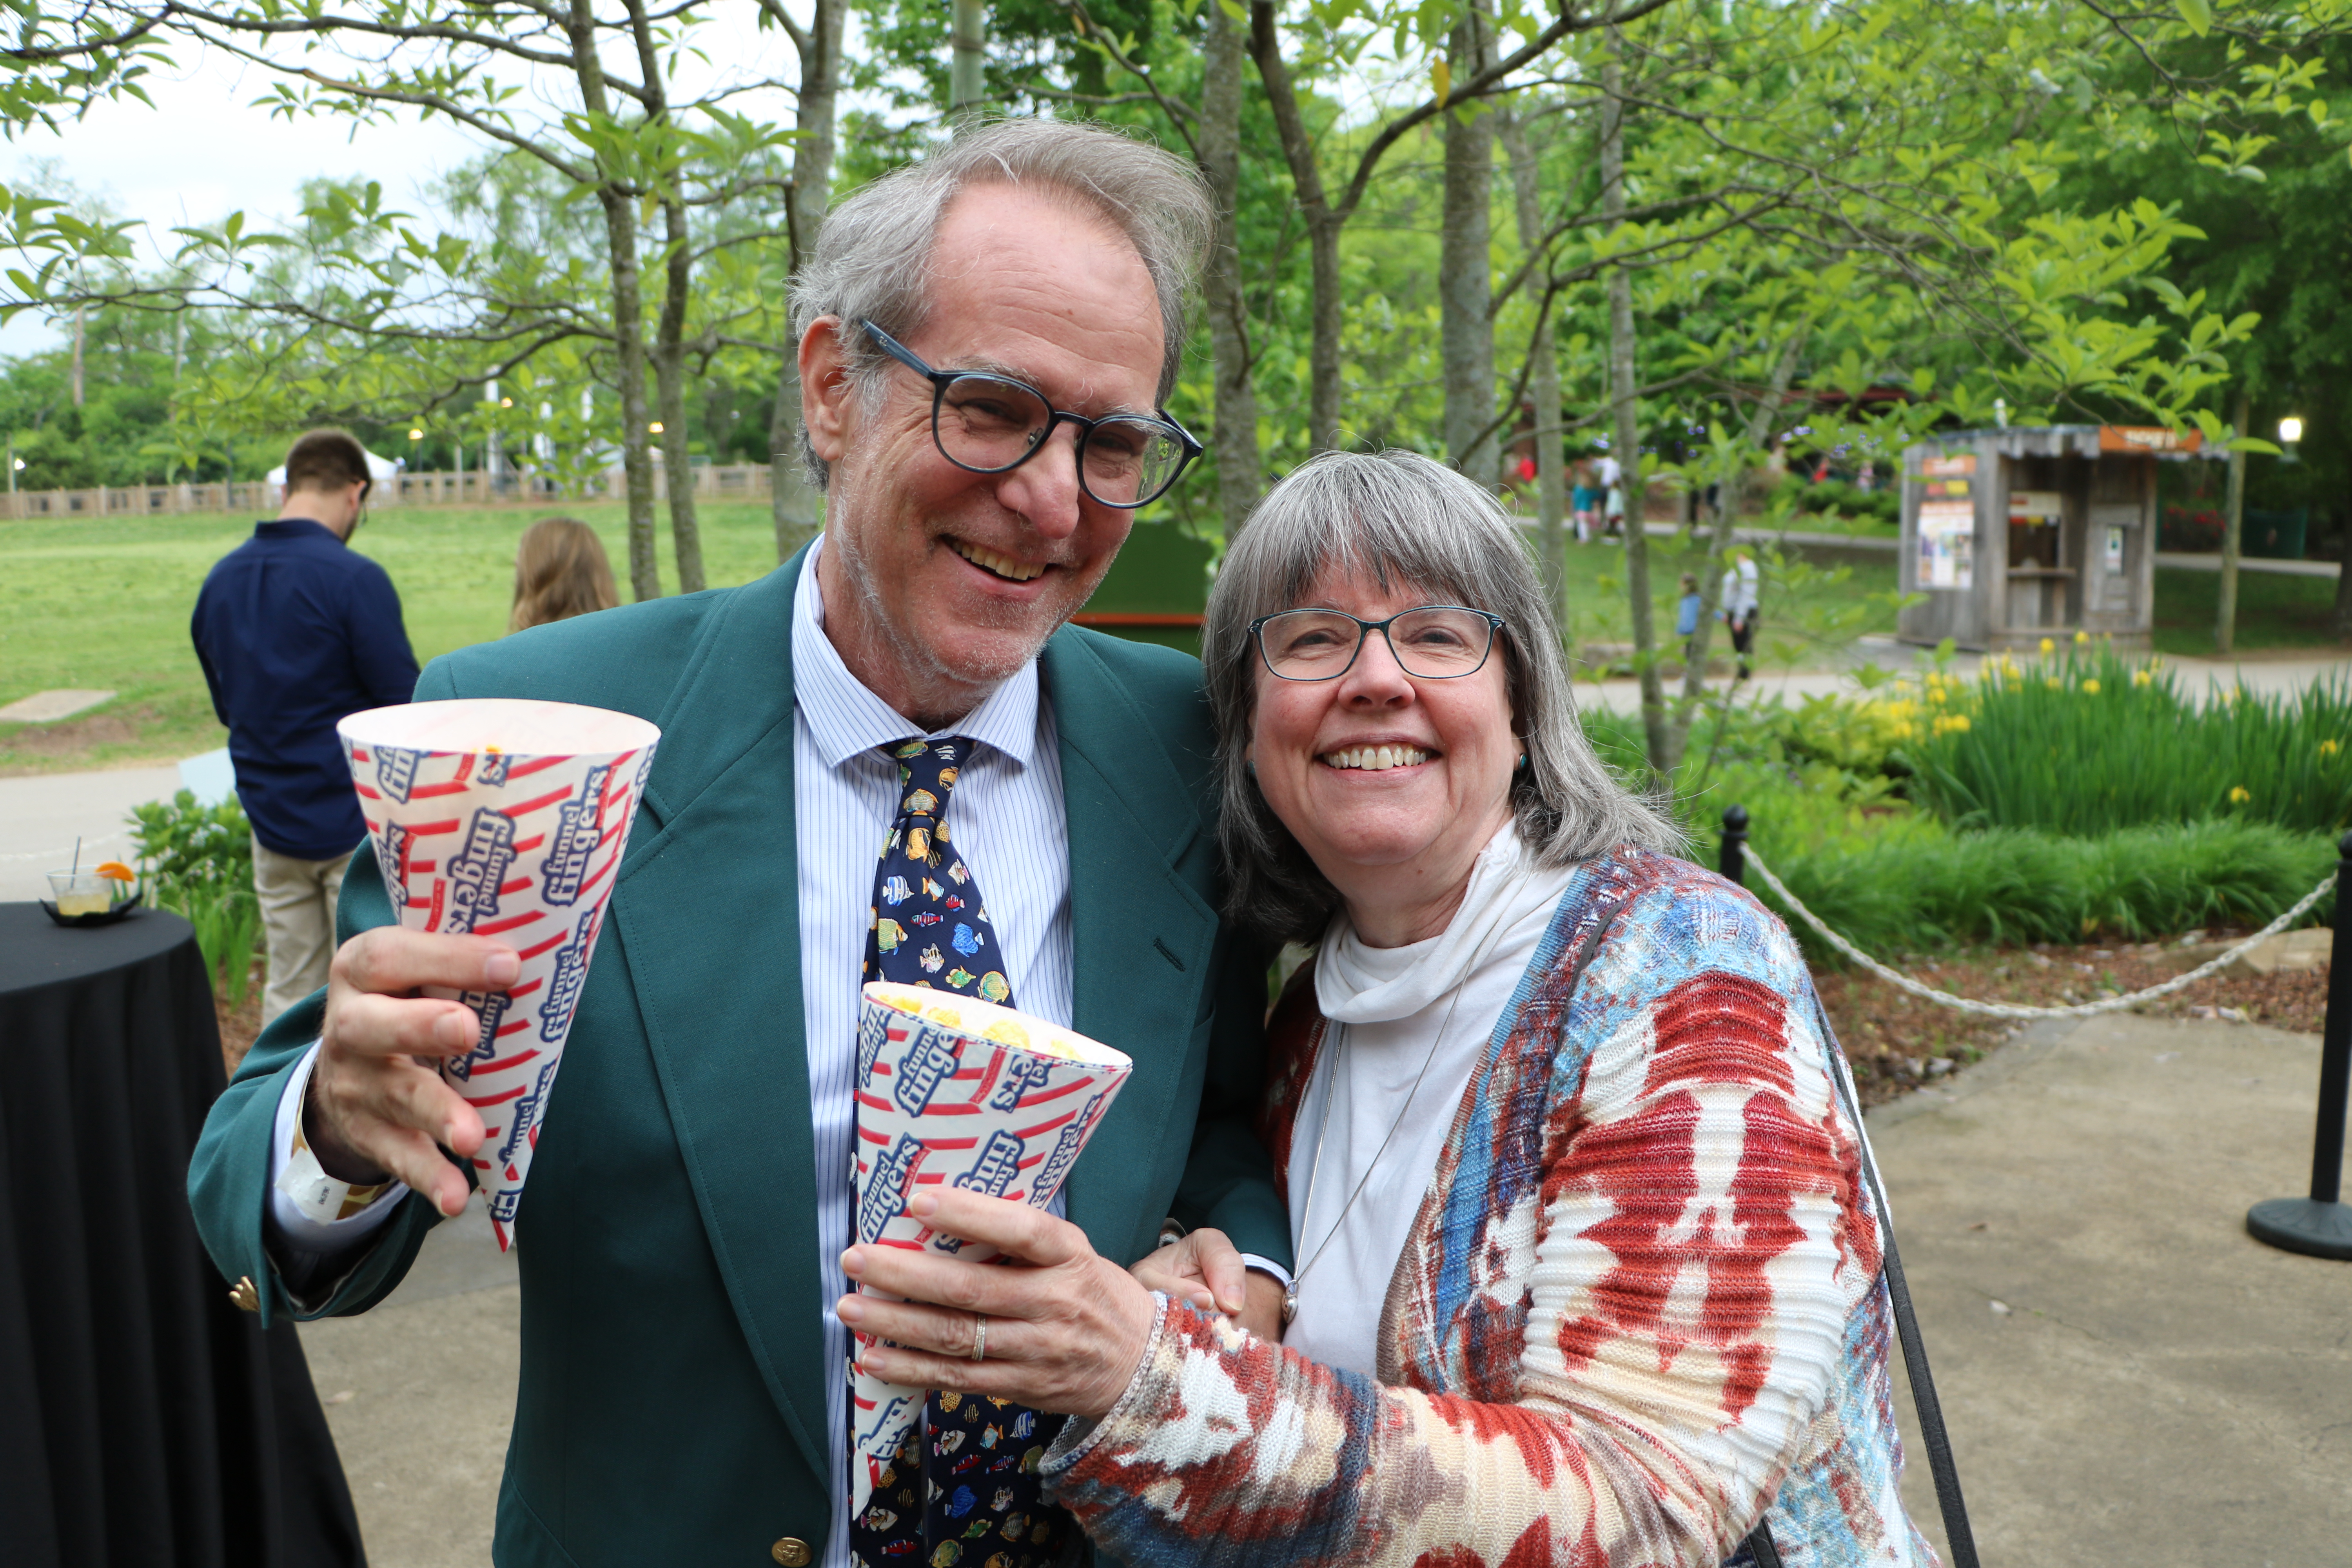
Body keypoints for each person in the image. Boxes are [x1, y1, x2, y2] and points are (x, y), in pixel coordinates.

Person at [187, 119, 1291, 1568]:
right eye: (994, 407)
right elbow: (260, 1186)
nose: (1050, 496)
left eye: (1112, 441)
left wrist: (1243, 1255)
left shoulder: (1190, 743)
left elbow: (1223, 1110)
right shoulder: (536, 733)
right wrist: (338, 1123)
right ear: (834, 386)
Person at [838, 451, 1935, 1567]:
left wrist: (1149, 1373)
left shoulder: (1688, 979)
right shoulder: (1313, 1015)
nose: (1375, 679)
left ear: (1522, 707)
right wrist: (1200, 1277)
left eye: (1439, 635)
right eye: (1311, 639)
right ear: (1251, 732)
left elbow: (1647, 1509)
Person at [191, 428, 419, 1025]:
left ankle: (278, 1114)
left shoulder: (220, 583)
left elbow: (226, 706)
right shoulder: (353, 579)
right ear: (355, 493)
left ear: (288, 488)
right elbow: (405, 710)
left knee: (290, 994)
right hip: (356, 829)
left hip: (271, 822)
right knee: (375, 999)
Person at [508, 514, 619, 631]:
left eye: (523, 555)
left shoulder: (530, 646)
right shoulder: (625, 637)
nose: (516, 562)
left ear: (546, 569)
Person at [1722, 548, 1761, 681]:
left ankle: (1745, 675)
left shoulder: (1748, 569)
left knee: (1744, 645)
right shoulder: (1737, 568)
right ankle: (1741, 673)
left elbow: (1746, 595)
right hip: (1733, 610)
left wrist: (1740, 618)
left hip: (1744, 611)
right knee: (1737, 646)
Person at [1675, 570, 1703, 663]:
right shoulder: (1685, 600)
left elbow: (1710, 611)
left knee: (1691, 653)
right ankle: (1688, 673)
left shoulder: (1696, 599)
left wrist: (1722, 617)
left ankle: (1691, 673)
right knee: (1687, 653)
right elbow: (1683, 617)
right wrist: (1680, 630)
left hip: (1693, 630)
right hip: (1686, 631)